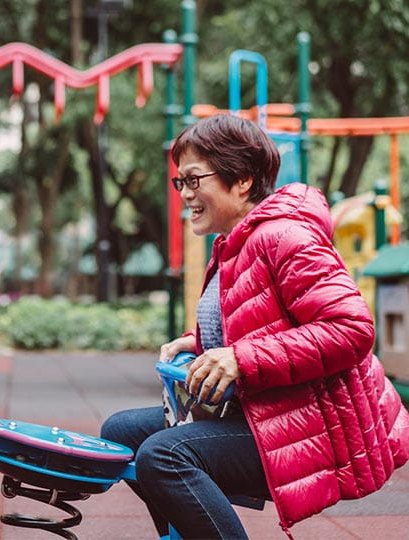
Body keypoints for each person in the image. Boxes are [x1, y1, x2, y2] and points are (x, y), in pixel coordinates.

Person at [101, 114, 409, 539]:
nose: (185, 193)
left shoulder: (285, 237)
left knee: (164, 456)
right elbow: (259, 321)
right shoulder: (234, 242)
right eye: (181, 182)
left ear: (243, 180)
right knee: (120, 432)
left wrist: (239, 358)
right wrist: (199, 342)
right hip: (268, 408)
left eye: (194, 180)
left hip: (318, 424)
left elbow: (351, 329)